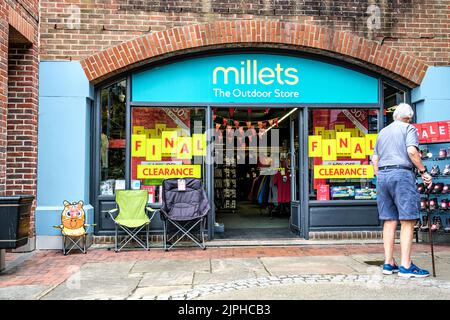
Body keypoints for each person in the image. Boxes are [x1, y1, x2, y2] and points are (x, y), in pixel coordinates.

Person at [372, 103, 432, 278]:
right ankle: (406, 266)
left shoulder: (382, 132)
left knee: (389, 220)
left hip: (382, 176)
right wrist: (423, 171)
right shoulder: (409, 128)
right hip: (402, 174)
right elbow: (412, 152)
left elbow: (375, 158)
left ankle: (388, 263)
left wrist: (381, 177)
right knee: (408, 219)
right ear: (408, 118)